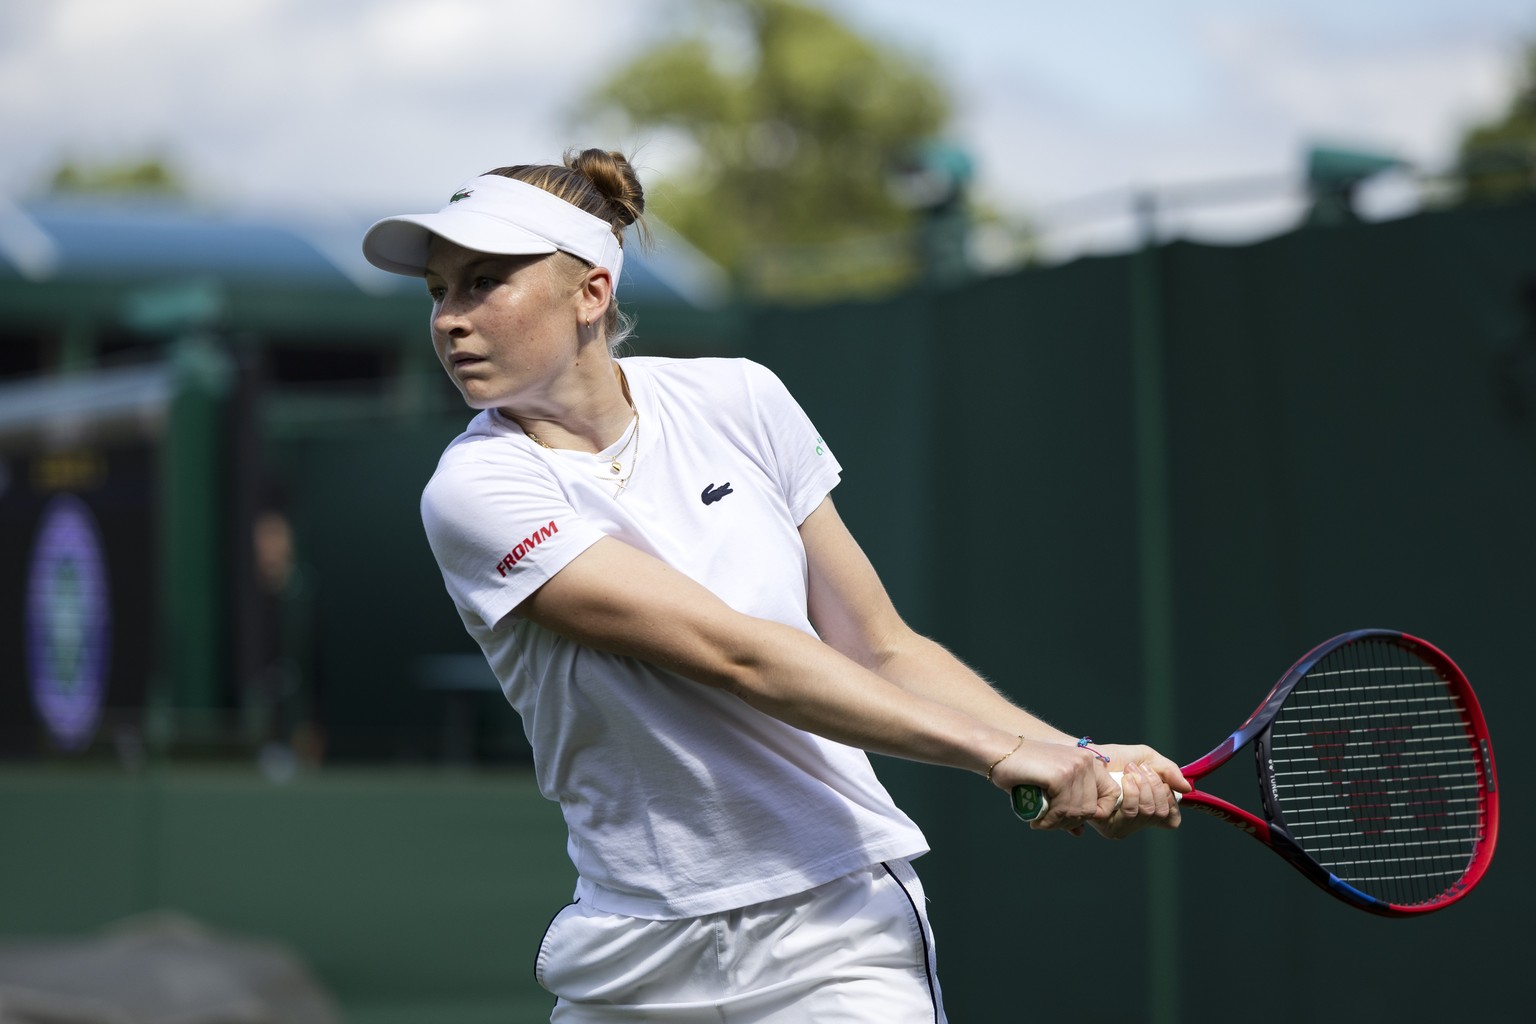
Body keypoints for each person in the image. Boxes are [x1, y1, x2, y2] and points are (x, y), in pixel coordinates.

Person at [361, 149, 1191, 1023]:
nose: (450, 320)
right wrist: (1002, 755)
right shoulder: (476, 492)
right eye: (438, 292)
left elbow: (881, 645)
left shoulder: (741, 399)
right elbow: (737, 654)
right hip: (632, 961)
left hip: (836, 939)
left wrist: (1076, 754)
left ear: (591, 294)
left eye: (483, 283)